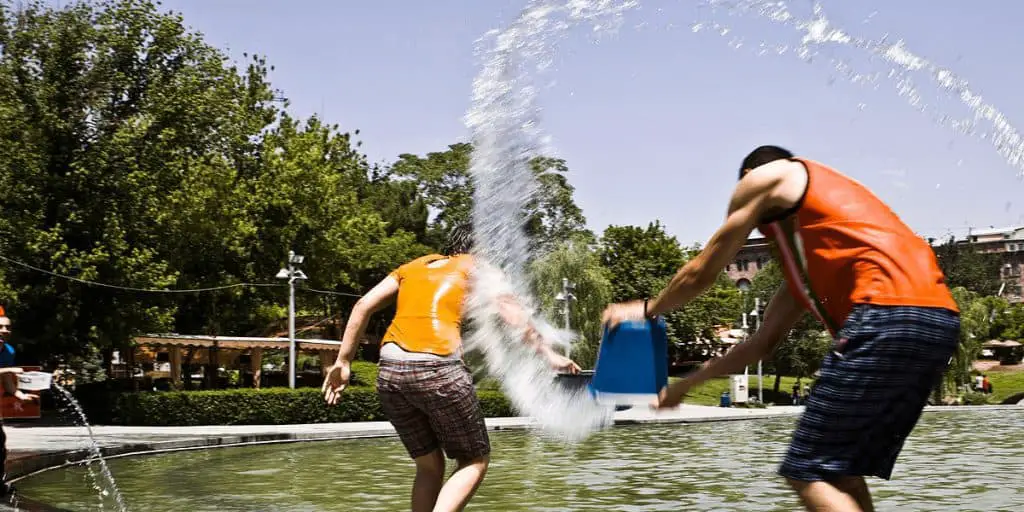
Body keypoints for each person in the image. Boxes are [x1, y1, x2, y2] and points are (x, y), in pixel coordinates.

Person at [602, 146, 960, 512]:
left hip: (884, 313)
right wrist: (685, 386)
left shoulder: (769, 175)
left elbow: (702, 271)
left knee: (806, 470)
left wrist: (647, 308)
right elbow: (760, 344)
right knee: (842, 471)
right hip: (938, 322)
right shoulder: (811, 269)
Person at [322, 224, 580, 512]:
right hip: (439, 369)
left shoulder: (415, 266)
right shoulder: (478, 268)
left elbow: (362, 305)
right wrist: (549, 355)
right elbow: (514, 315)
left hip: (391, 372)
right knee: (474, 459)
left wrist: (343, 361)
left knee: (429, 465)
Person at [0, 306, 40, 496]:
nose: (4, 331)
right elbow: (8, 373)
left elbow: (8, 384)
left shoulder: (8, 351)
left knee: (0, 441)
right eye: (0, 327)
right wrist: (10, 371)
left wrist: (23, 396)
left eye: (7, 328)